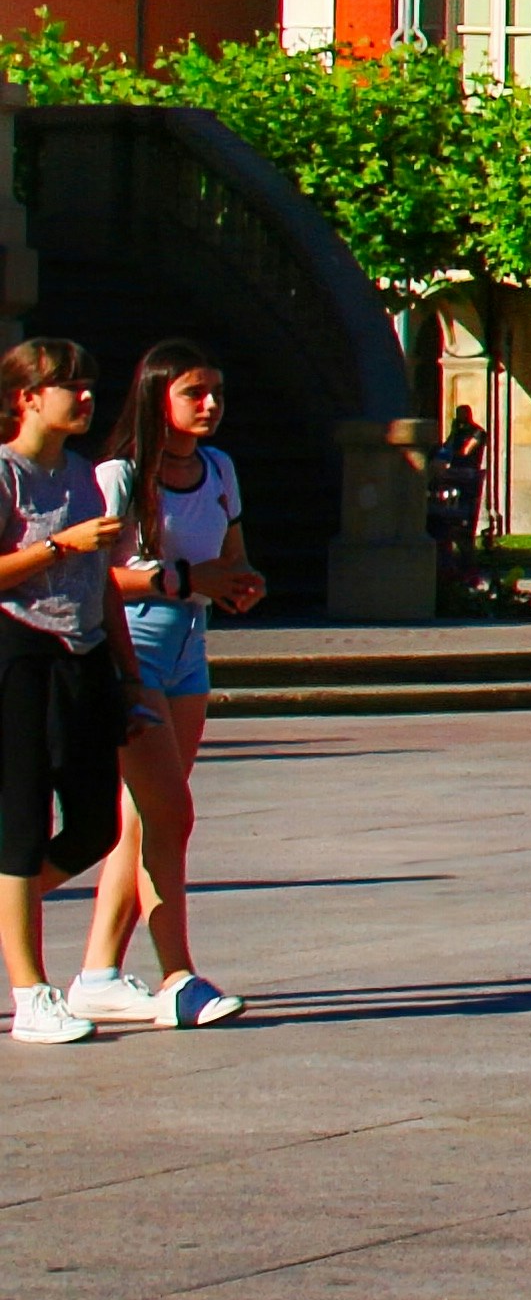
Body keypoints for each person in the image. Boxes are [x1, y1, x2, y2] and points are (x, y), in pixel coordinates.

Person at [72, 343, 257, 1030]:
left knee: (150, 815)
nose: (209, 405)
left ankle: (98, 970)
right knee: (166, 814)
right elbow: (98, 574)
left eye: (215, 392)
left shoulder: (220, 469)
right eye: (194, 393)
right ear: (158, 398)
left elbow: (230, 554)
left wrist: (239, 582)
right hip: (134, 641)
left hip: (190, 643)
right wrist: (184, 580)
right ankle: (176, 975)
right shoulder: (119, 476)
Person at [0, 342, 128, 1050]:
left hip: (83, 655)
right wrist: (61, 546)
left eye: (88, 384)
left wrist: (126, 674)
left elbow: (103, 580)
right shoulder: (5, 475)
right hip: (19, 653)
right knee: (17, 825)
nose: (83, 397)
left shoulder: (84, 475)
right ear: (26, 397)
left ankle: (6, 912)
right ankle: (30, 992)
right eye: (66, 386)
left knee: (94, 828)